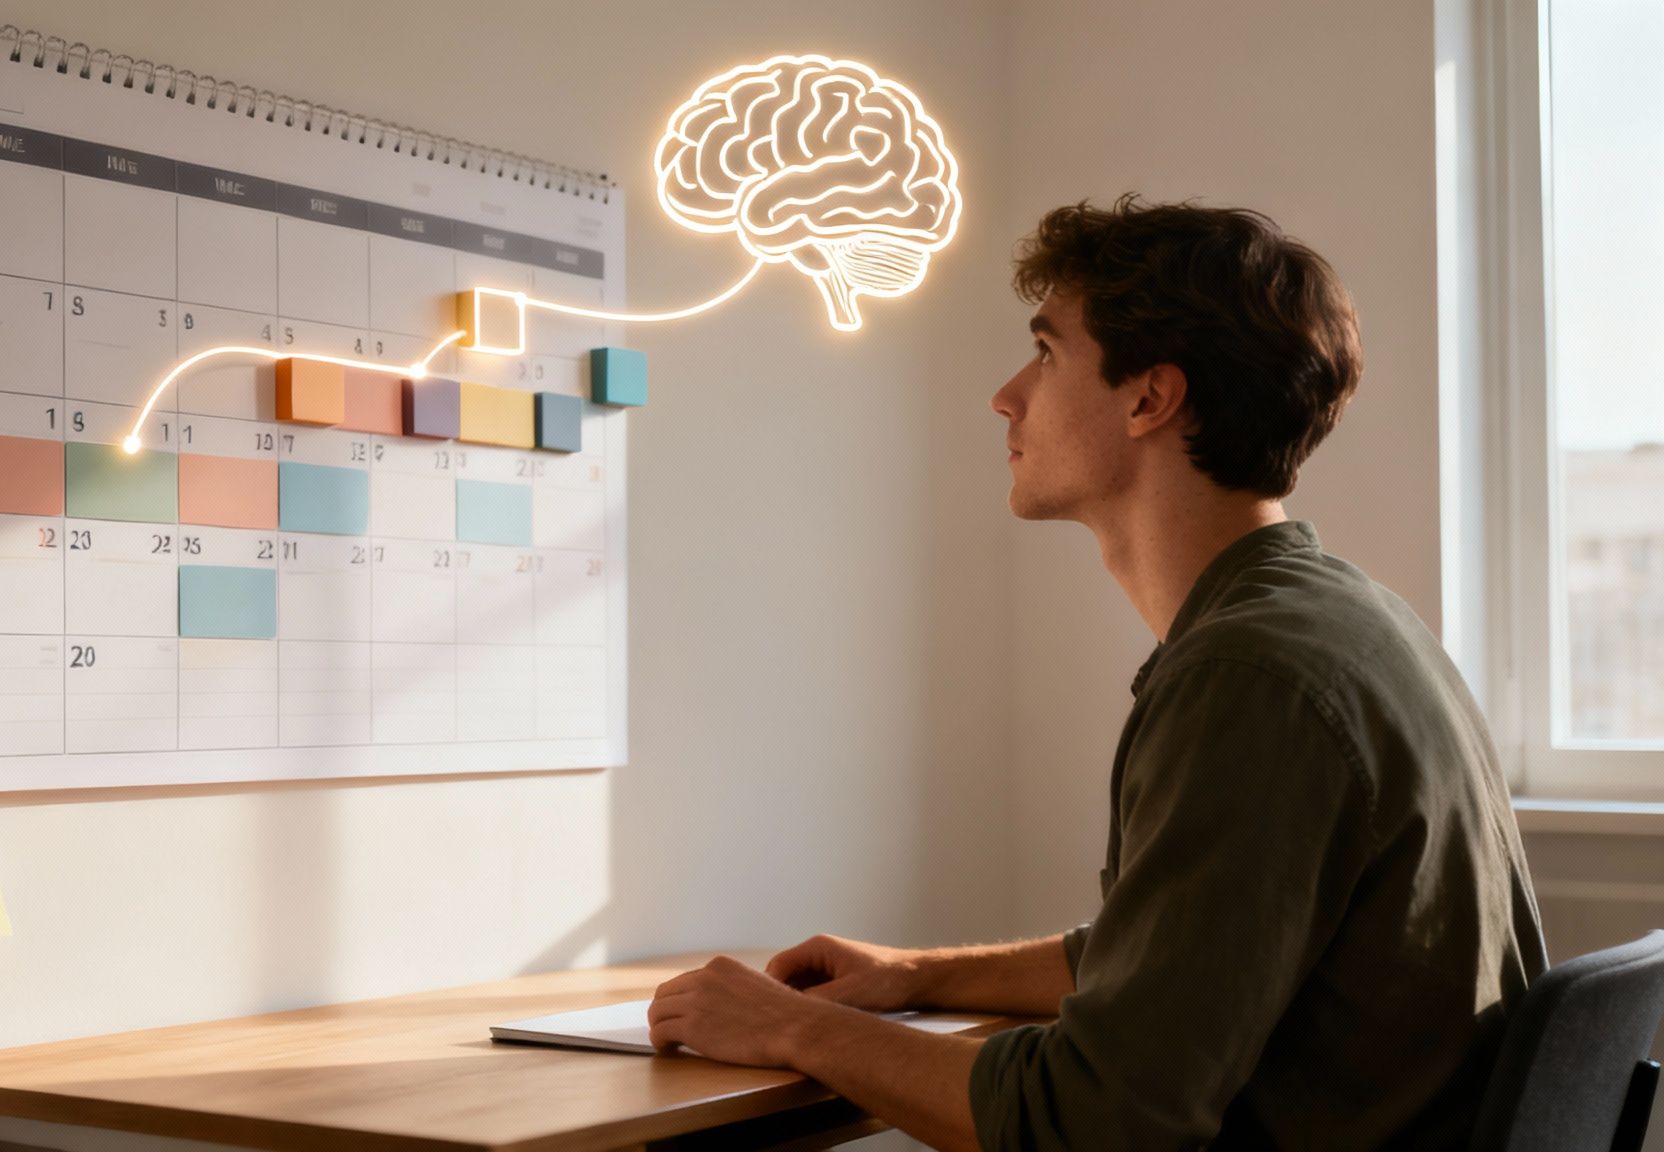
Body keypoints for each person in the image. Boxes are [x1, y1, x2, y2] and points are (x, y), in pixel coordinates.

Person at [645, 195, 1548, 1150]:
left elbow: (1096, 1124)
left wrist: (791, 1025)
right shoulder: (1341, 621)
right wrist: (916, 975)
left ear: (1149, 397)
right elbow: (1178, 961)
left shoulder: (1251, 678)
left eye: (1045, 353)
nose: (1006, 395)